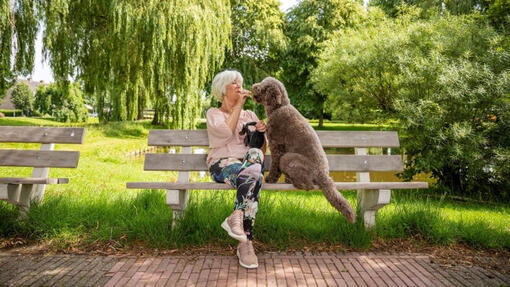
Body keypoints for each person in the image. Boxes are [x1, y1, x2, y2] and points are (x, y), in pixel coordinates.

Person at [206, 70, 266, 269]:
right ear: (223, 90)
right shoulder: (214, 114)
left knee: (255, 160)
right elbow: (224, 134)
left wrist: (261, 134)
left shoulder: (250, 115)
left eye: (241, 83)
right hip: (222, 163)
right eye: (235, 84)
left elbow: (261, 151)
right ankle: (246, 243)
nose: (240, 88)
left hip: (248, 164)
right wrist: (238, 105)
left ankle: (237, 216)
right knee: (252, 179)